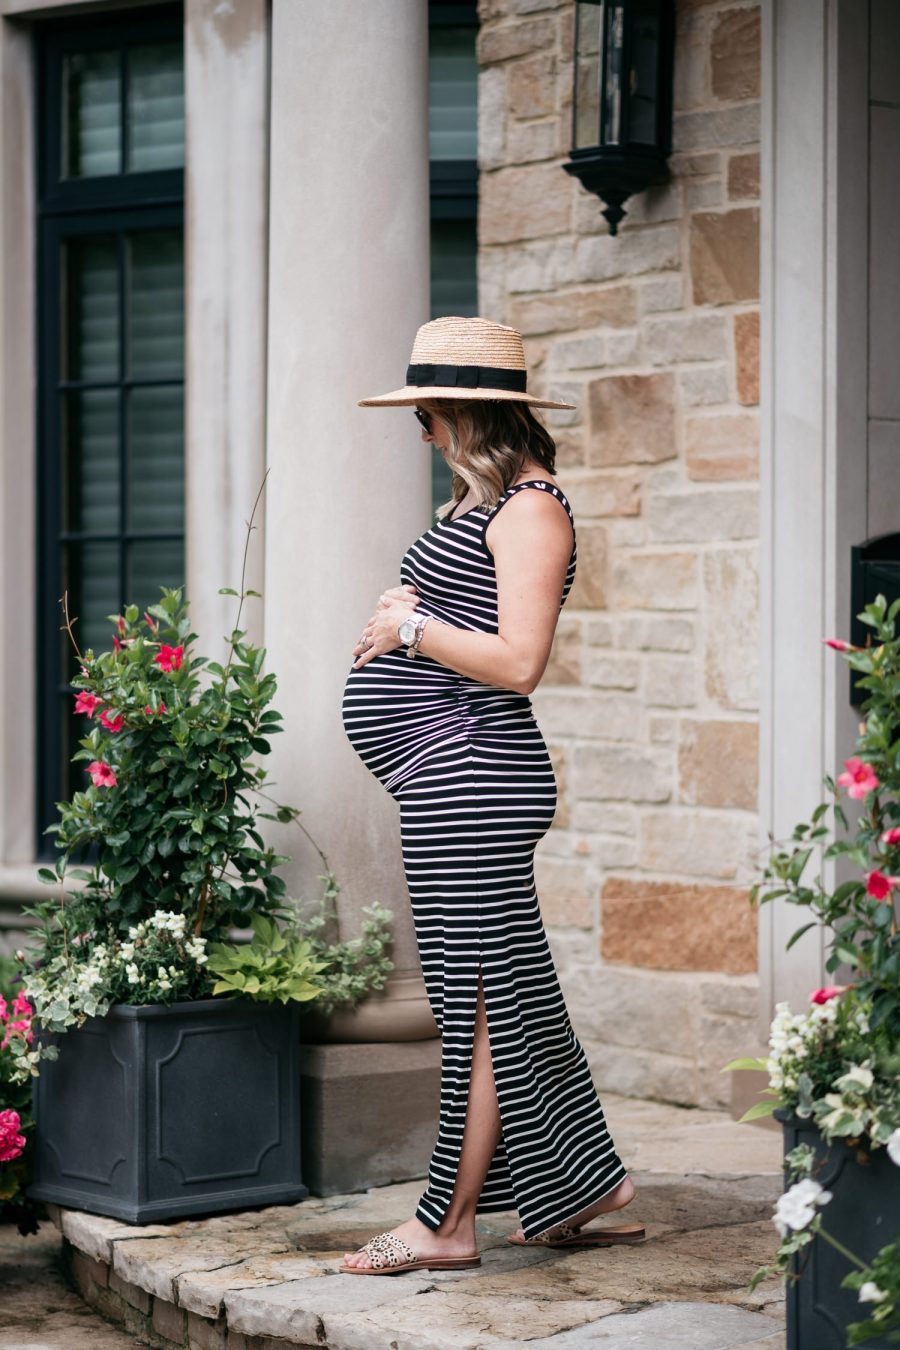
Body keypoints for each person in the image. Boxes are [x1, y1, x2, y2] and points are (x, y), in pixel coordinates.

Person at [339, 316, 643, 1275]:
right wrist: (404, 626)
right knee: (509, 992)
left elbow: (518, 663)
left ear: (464, 415)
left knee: (477, 1002)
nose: (420, 432)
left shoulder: (532, 511)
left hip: (479, 776)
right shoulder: (484, 505)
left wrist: (411, 627)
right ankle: (589, 1183)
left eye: (425, 416)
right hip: (448, 776)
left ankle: (447, 1223)